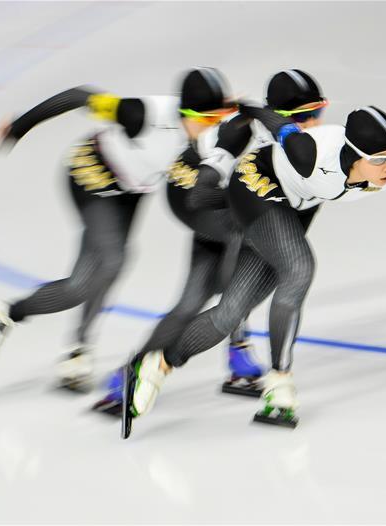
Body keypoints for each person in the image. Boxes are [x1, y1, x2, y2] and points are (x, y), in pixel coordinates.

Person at [120, 104, 386, 437]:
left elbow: (379, 167)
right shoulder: (310, 153)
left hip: (294, 206)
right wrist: (243, 114)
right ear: (354, 154)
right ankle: (280, 381)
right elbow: (275, 121)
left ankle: (156, 365)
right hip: (257, 184)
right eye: (379, 160)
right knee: (299, 267)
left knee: (230, 312)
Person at [0, 68, 237, 392]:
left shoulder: (209, 123)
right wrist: (18, 126)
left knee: (90, 277)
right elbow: (78, 96)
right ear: (185, 113)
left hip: (132, 189)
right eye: (206, 119)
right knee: (110, 262)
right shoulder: (141, 114)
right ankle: (27, 323)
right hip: (92, 177)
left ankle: (29, 326)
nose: (212, 126)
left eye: (217, 118)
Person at [92, 69, 329, 414]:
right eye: (302, 116)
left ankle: (227, 353)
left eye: (318, 112)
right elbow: (205, 195)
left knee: (203, 295)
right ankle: (142, 370)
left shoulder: (302, 144)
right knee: (226, 277)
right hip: (197, 198)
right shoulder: (247, 135)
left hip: (223, 205)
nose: (313, 123)